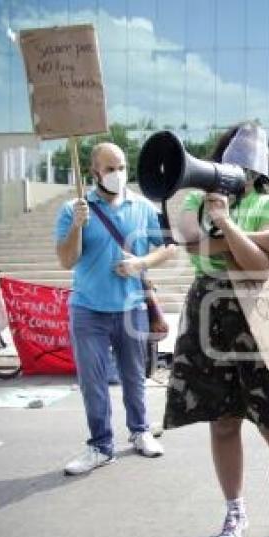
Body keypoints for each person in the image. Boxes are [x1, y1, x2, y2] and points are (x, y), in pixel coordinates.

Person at [163, 123, 269, 537]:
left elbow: (260, 268)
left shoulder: (268, 201)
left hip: (258, 318)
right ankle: (234, 509)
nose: (240, 172)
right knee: (223, 422)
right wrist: (265, 238)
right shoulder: (195, 197)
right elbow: (190, 246)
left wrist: (227, 226)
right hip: (208, 316)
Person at [56, 142, 176, 475]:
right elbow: (66, 260)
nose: (117, 174)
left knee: (134, 376)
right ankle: (100, 445)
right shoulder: (73, 209)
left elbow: (169, 248)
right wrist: (77, 225)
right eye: (110, 169)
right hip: (87, 309)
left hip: (131, 307)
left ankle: (140, 431)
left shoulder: (141, 206)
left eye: (122, 167)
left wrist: (141, 262)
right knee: (92, 381)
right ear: (94, 172)